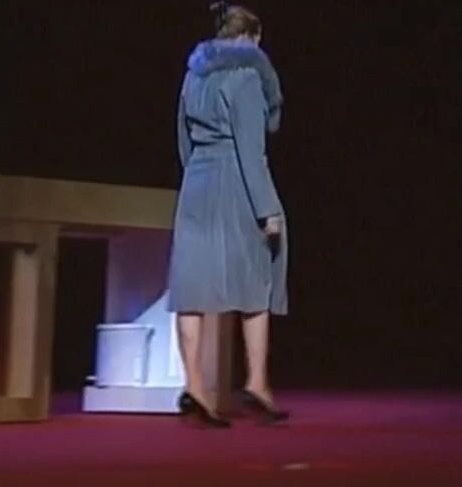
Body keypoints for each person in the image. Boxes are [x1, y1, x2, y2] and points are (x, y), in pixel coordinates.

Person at [167, 2, 289, 428]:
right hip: (236, 183)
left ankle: (194, 386)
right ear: (248, 38)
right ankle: (256, 381)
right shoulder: (247, 77)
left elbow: (182, 138)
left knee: (192, 287)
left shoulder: (193, 76)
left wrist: (195, 176)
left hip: (196, 183)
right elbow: (251, 151)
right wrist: (267, 209)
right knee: (255, 280)